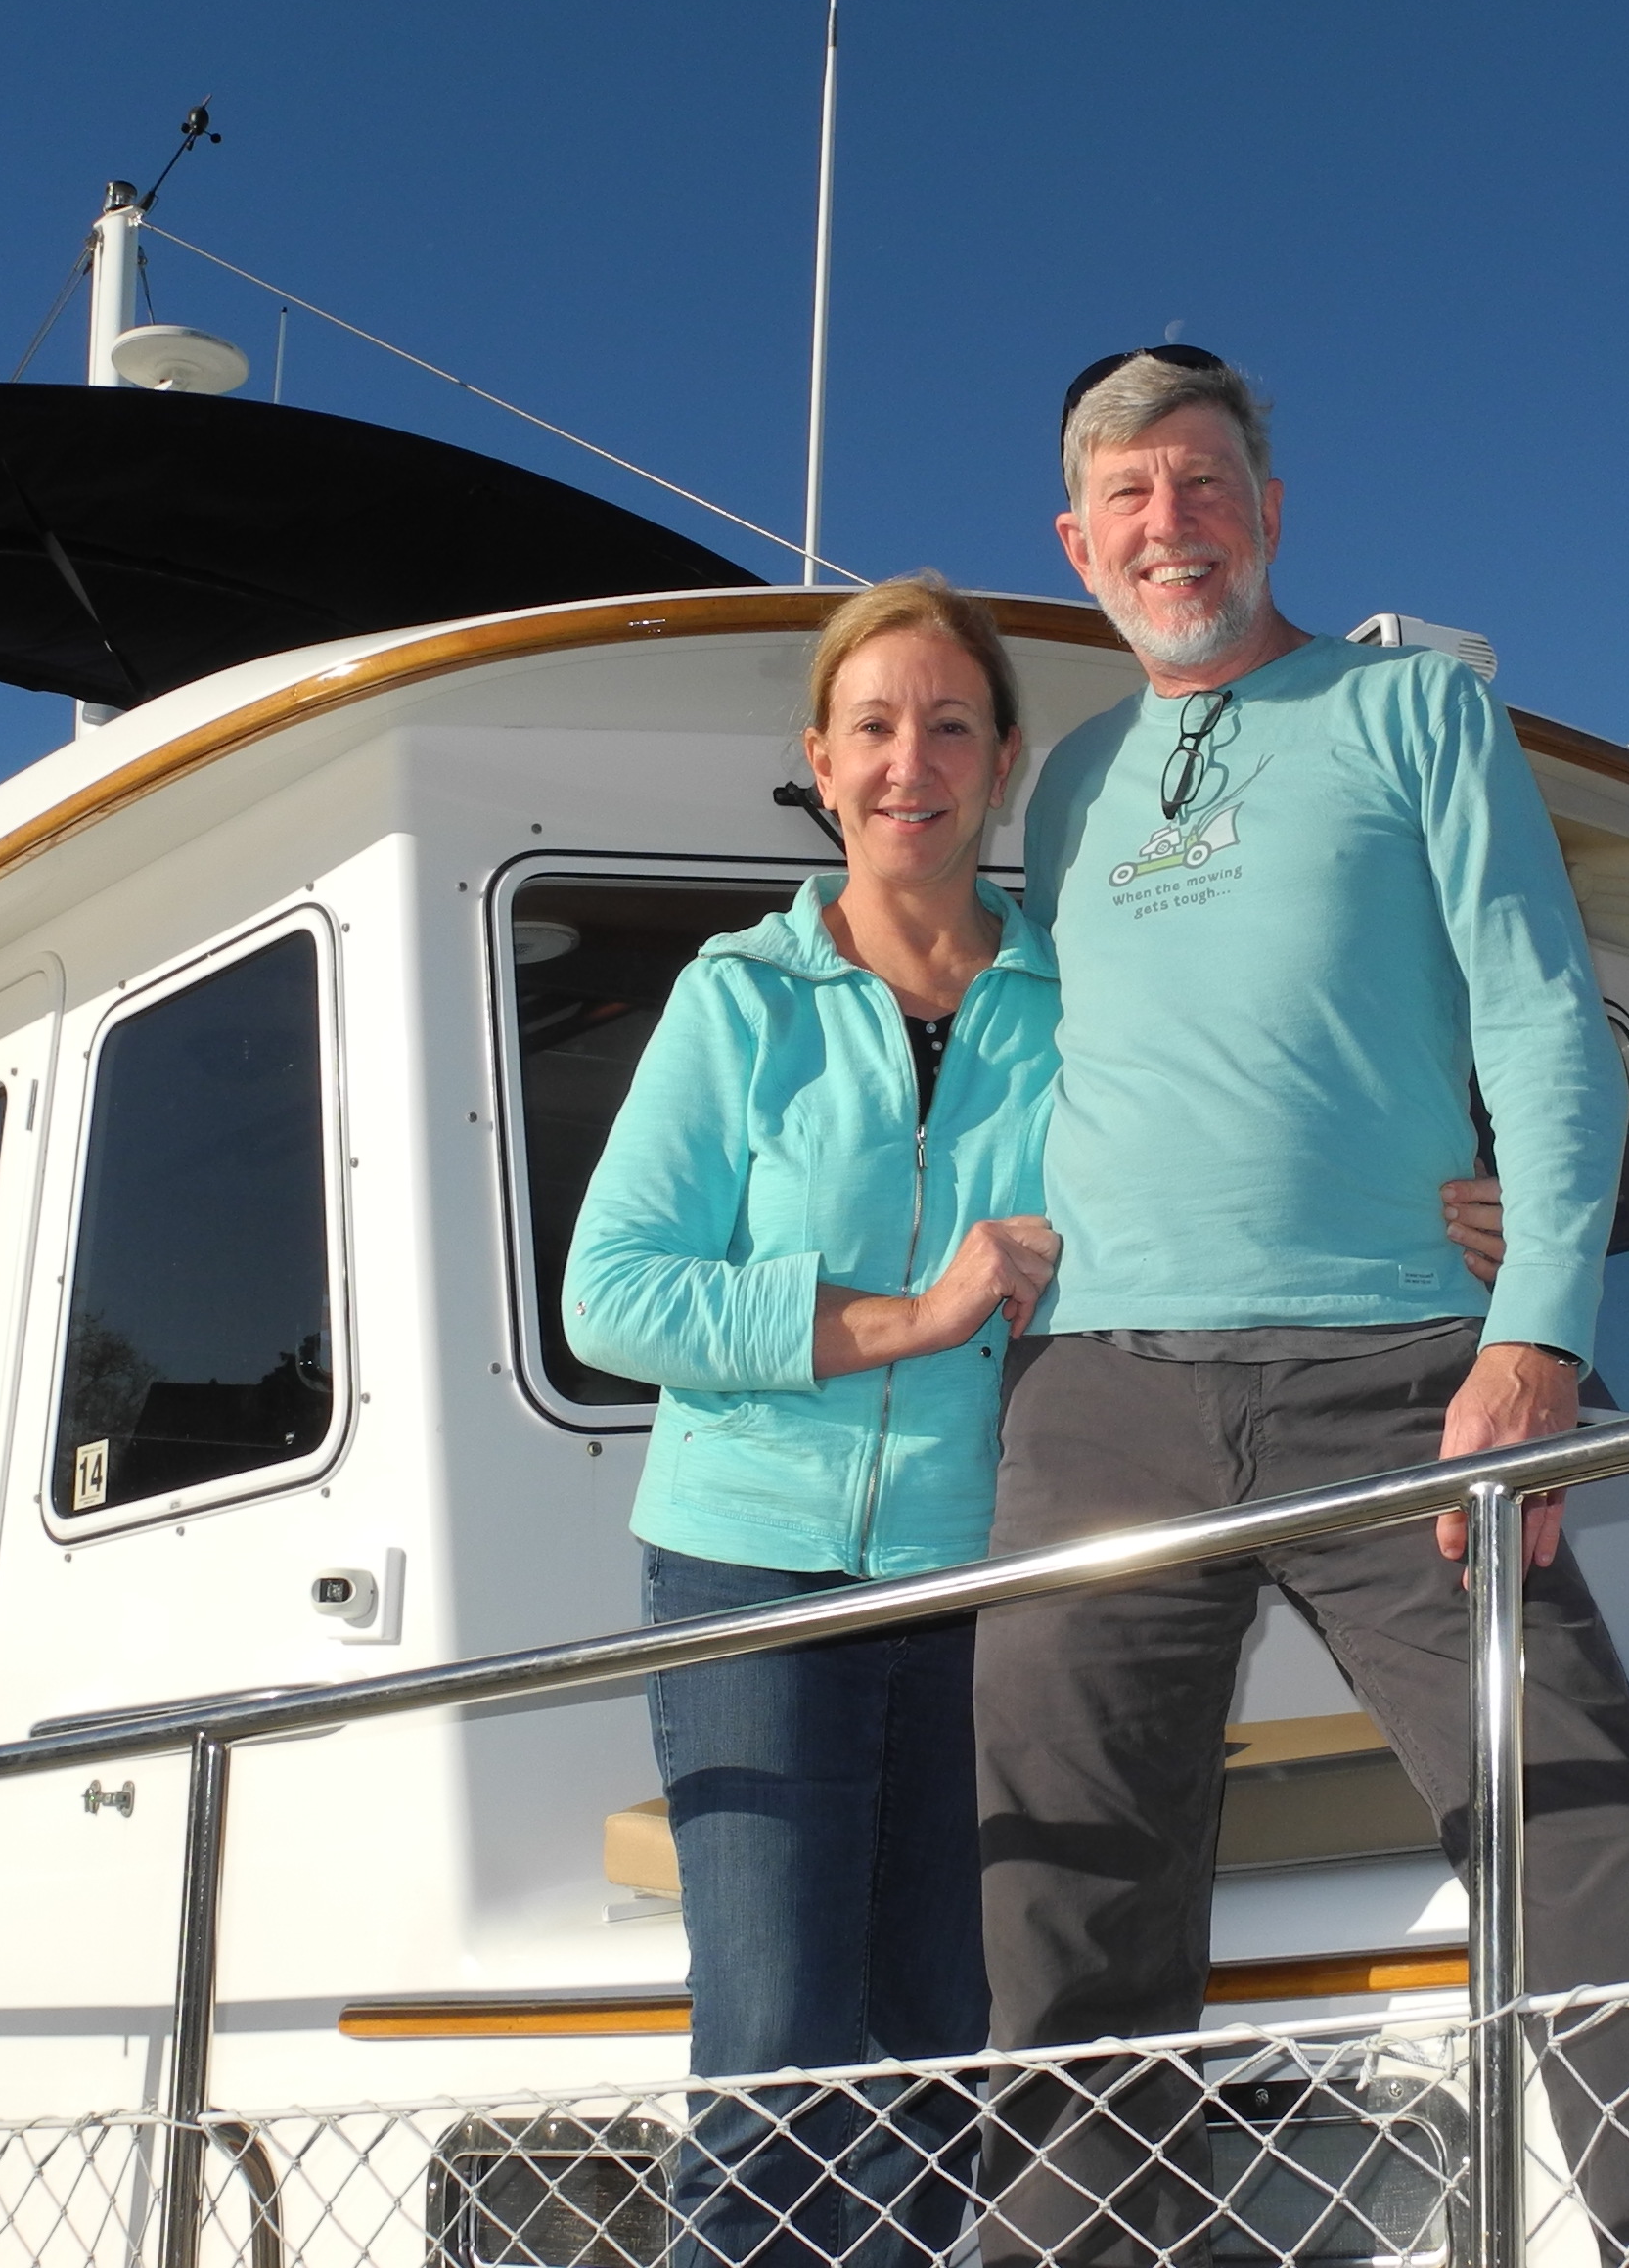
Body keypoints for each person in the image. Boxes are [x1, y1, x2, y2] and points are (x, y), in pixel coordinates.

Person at [973, 348, 1629, 2268]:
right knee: (1066, 1897)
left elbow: (1539, 1018)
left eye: (1203, 482)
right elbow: (1064, 1063)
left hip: (1400, 1372)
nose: (1170, 524)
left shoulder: (1415, 709)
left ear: (1268, 509)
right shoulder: (1070, 786)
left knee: (1579, 1825)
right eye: (1129, 494)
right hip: (1099, 1401)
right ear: (1077, 541)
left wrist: (1540, 1325)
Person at [566, 574, 1060, 2268]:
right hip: (747, 1574)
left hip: (976, 1574)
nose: (911, 760)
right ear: (823, 763)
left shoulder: (1075, 1011)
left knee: (941, 2049)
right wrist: (911, 1316)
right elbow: (612, 1296)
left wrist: (1428, 1211)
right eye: (875, 726)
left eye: (949, 725)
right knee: (773, 2059)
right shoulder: (741, 999)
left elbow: (1201, 1207)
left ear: (1002, 760)